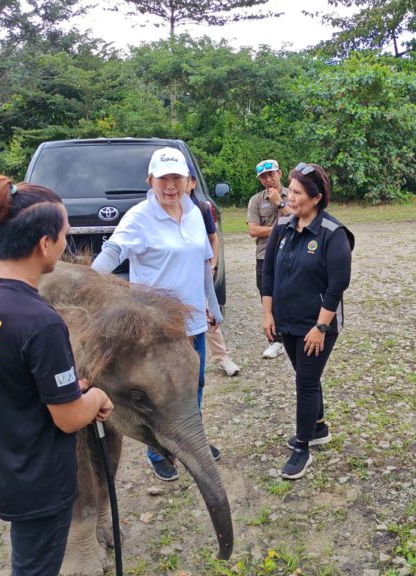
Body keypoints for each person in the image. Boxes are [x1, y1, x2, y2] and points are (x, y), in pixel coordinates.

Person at [0, 175, 113, 575]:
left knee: (26, 558)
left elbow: (5, 375)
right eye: (64, 235)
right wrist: (94, 397)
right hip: (40, 483)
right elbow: (69, 418)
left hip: (2, 469)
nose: (65, 243)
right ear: (44, 243)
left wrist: (61, 388)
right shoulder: (40, 323)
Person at [91, 147, 220, 481]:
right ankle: (158, 451)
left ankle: (191, 442)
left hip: (193, 323)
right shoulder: (139, 217)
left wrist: (213, 305)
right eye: (163, 179)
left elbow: (203, 261)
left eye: (177, 178)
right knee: (159, 395)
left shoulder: (195, 212)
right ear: (150, 180)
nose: (170, 186)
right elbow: (113, 251)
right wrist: (88, 284)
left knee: (194, 385)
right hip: (156, 330)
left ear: (189, 181)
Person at [261, 162, 353, 480]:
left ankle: (302, 447)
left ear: (316, 197)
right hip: (287, 321)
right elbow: (268, 273)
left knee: (306, 382)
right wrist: (267, 313)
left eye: (298, 193)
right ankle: (318, 427)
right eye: (291, 190)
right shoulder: (283, 227)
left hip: (318, 325)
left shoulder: (333, 233)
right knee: (305, 375)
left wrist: (321, 327)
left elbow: (337, 285)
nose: (290, 196)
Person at [185, 164, 241, 377]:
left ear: (192, 183)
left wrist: (212, 265)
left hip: (199, 272)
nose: (174, 186)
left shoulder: (201, 208)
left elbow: (213, 238)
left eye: (182, 179)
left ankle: (222, 357)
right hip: (174, 275)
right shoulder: (159, 210)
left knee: (208, 313)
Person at [248, 159, 293, 359]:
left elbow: (300, 219)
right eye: (263, 177)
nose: (268, 179)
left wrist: (279, 203)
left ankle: (292, 334)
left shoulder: (293, 194)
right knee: (267, 295)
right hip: (265, 255)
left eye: (271, 174)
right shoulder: (256, 200)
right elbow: (253, 230)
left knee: (290, 293)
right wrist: (281, 228)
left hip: (291, 253)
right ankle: (276, 340)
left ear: (279, 173)